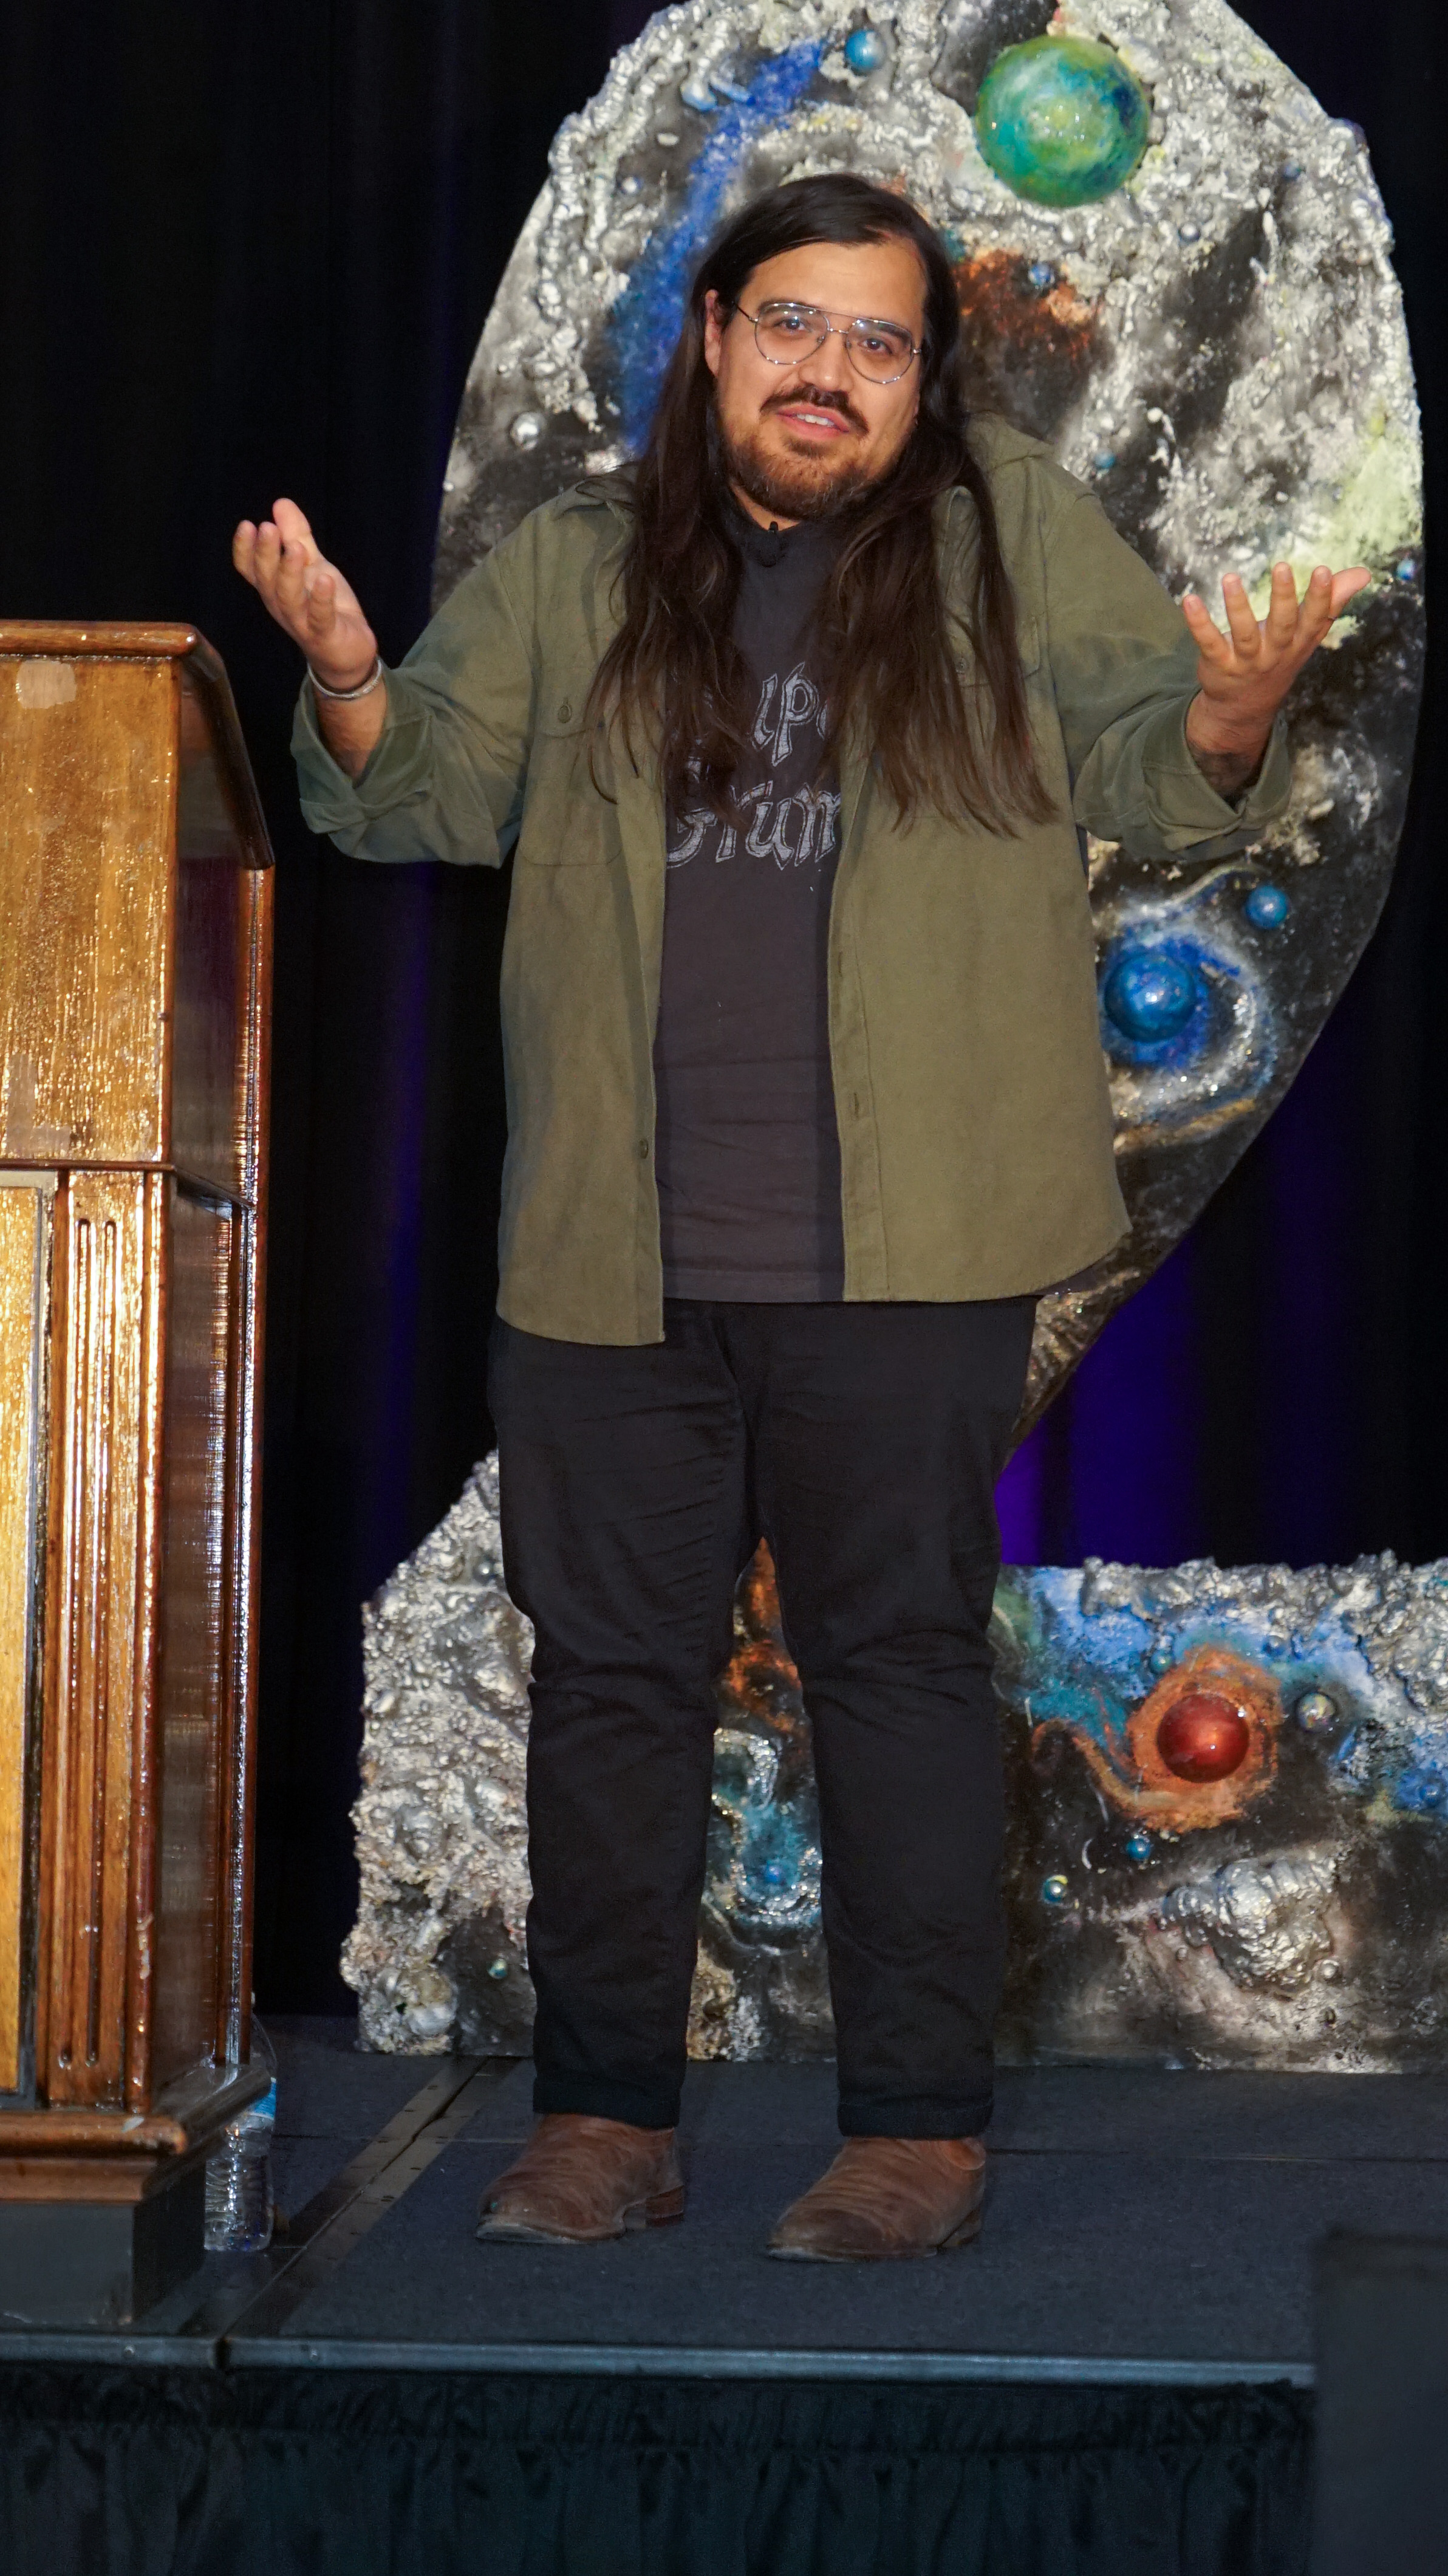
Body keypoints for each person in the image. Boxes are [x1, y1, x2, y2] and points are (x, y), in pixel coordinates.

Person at [235, 174, 1367, 2263]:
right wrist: (349, 675)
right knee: (612, 1688)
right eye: (795, 326)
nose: (831, 372)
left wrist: (1227, 711)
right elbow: (423, 793)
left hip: (909, 1247)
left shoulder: (1010, 544)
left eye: (879, 342)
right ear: (714, 335)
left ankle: (917, 2135)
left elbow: (1155, 768)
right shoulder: (581, 562)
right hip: (610, 1252)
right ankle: (604, 2120)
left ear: (924, 379)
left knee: (899, 1674)